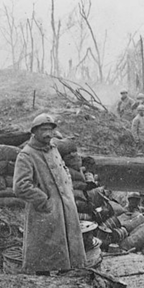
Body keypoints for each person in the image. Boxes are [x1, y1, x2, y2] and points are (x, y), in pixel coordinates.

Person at [13, 113, 85, 274]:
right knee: (43, 253)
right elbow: (20, 186)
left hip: (64, 207)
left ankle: (66, 274)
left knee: (66, 249)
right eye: (43, 130)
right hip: (44, 211)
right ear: (34, 132)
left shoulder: (53, 148)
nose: (47, 133)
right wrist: (44, 201)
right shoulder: (27, 155)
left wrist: (68, 193)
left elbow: (63, 169)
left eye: (50, 130)